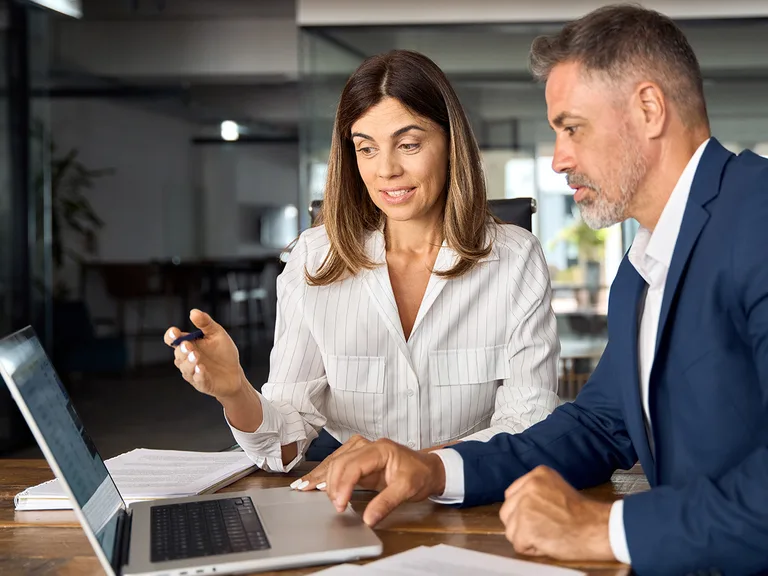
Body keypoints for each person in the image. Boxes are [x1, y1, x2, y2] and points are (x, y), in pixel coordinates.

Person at [313, 6, 768, 575]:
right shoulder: (642, 265)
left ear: (649, 109)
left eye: (572, 128)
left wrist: (608, 529)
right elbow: (599, 427)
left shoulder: (760, 217)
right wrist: (434, 470)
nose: (558, 159)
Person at [165, 50, 560, 475]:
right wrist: (235, 391)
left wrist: (417, 466)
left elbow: (528, 424)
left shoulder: (515, 259)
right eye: (366, 149)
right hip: (352, 503)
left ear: (450, 144)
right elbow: (281, 448)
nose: (386, 169)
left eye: (408, 145)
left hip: (475, 497)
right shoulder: (313, 261)